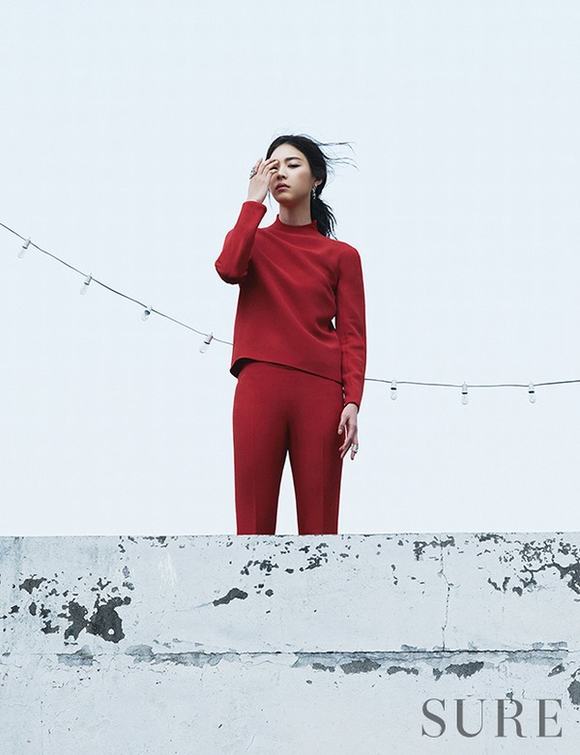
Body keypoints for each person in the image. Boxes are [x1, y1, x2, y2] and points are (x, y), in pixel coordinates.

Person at [214, 134, 367, 535]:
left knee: (320, 531)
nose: (281, 172)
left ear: (316, 178)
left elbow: (353, 335)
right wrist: (253, 201)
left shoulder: (342, 256)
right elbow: (228, 268)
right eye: (273, 165)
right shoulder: (252, 241)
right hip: (259, 384)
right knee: (251, 528)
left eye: (293, 164)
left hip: (321, 391)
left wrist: (352, 400)